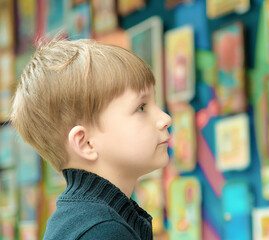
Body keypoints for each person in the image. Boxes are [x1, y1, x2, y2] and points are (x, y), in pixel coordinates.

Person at [11, 38, 172, 240]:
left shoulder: (76, 219)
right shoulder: (103, 231)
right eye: (141, 108)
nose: (165, 118)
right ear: (86, 143)